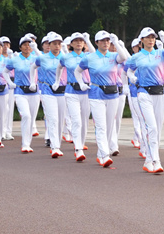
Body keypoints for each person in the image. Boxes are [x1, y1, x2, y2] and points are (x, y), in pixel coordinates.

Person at [126, 28, 164, 173]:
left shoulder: (160, 53)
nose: (151, 40)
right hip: (144, 93)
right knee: (151, 128)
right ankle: (156, 160)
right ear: (142, 40)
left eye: (153, 37)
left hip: (160, 93)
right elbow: (128, 69)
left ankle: (149, 160)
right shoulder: (137, 57)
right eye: (148, 38)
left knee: (158, 129)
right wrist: (132, 77)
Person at [77, 31, 128, 168]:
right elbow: (77, 71)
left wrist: (116, 42)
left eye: (107, 40)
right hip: (96, 94)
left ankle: (101, 153)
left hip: (112, 94)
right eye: (102, 41)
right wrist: (81, 83)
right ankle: (105, 155)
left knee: (110, 125)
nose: (106, 43)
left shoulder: (113, 56)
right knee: (101, 126)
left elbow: (124, 58)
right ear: (96, 43)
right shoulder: (89, 57)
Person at [6, 35, 41, 153]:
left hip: (34, 92)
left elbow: (45, 62)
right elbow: (5, 72)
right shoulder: (15, 59)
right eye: (25, 45)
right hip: (20, 92)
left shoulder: (36, 57)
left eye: (29, 45)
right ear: (20, 47)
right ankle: (24, 144)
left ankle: (28, 143)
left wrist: (35, 49)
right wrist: (10, 82)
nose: (27, 47)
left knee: (31, 118)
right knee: (26, 115)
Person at [62, 33, 93, 162]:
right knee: (76, 120)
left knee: (84, 120)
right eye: (76, 41)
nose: (79, 43)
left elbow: (95, 51)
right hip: (71, 90)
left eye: (81, 41)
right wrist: (58, 81)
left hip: (86, 91)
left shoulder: (89, 56)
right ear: (71, 44)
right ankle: (78, 148)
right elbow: (59, 68)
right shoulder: (66, 57)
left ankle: (81, 142)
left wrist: (88, 40)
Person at [37, 32, 67, 158]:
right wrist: (36, 83)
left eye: (59, 44)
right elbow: (32, 68)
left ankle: (57, 143)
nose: (57, 46)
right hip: (47, 91)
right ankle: (55, 147)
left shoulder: (65, 57)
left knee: (60, 119)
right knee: (53, 118)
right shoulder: (42, 58)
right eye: (54, 44)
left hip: (62, 91)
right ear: (49, 45)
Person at [0, 35, 16, 141]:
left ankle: (8, 131)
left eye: (7, 44)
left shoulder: (14, 56)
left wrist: (11, 57)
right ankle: (1, 131)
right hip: (1, 86)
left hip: (11, 86)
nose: (6, 46)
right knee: (2, 110)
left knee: (10, 110)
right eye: (3, 44)